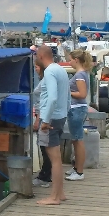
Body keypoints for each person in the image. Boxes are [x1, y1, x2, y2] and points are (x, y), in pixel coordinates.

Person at [35, 45, 69, 206]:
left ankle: (54, 197)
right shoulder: (60, 69)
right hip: (60, 116)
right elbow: (67, 94)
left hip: (51, 119)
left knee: (54, 159)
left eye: (36, 54)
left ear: (41, 56)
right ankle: (60, 193)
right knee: (57, 158)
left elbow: (53, 98)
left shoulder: (49, 72)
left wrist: (46, 120)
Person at [65, 49, 93, 182]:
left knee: (78, 139)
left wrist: (67, 92)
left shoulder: (79, 76)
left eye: (70, 59)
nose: (69, 62)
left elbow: (82, 94)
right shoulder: (82, 74)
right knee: (75, 139)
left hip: (77, 108)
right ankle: (76, 167)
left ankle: (80, 171)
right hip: (77, 109)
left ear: (76, 60)